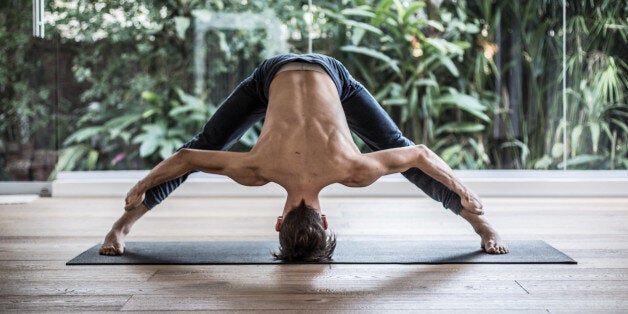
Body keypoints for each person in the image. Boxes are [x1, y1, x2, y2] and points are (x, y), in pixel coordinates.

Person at [99, 53, 509, 261]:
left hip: (324, 75)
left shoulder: (353, 171)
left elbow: (419, 155)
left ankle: (482, 224)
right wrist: (140, 184)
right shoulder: (256, 171)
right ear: (279, 221)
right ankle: (121, 227)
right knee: (207, 142)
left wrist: (464, 190)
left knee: (400, 147)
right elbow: (188, 157)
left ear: (324, 219)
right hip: (283, 74)